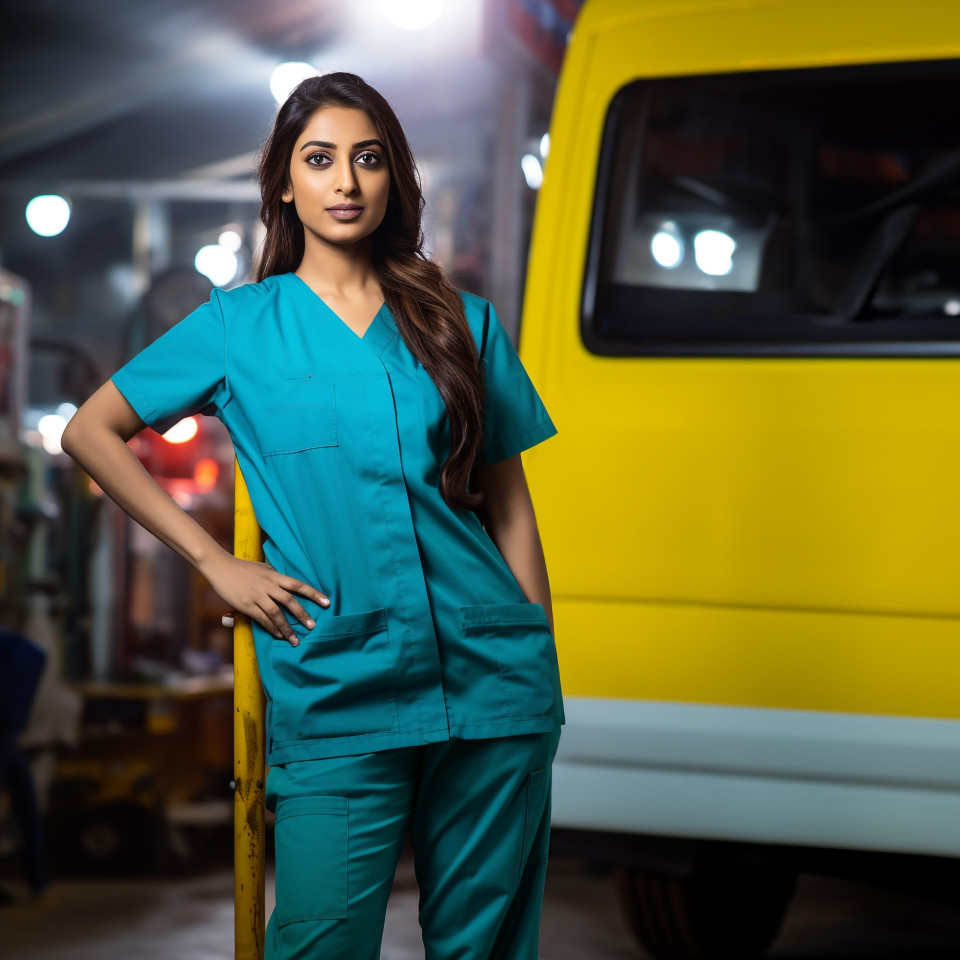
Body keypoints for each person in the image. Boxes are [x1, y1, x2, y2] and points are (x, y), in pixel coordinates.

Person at [62, 72, 564, 959]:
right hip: (338, 682)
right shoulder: (237, 328)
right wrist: (213, 562)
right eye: (320, 159)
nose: (346, 181)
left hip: (494, 684)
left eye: (367, 159)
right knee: (319, 940)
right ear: (285, 185)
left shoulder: (461, 323)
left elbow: (512, 508)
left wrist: (538, 652)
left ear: (393, 179)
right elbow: (91, 431)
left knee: (482, 948)